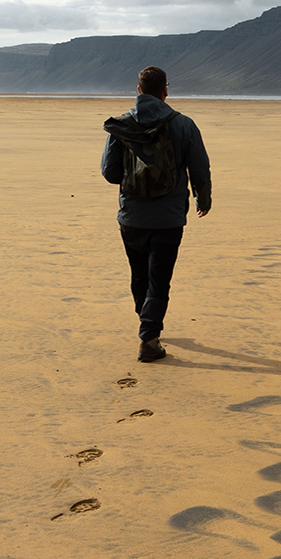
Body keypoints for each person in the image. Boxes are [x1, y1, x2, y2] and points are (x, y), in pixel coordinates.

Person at [100, 65, 211, 361]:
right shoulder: (184, 124)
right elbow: (199, 166)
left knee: (139, 274)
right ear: (165, 90)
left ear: (138, 91)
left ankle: (146, 322)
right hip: (169, 217)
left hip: (131, 216)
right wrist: (203, 197)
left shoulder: (122, 125)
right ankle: (149, 338)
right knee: (159, 277)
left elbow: (109, 173)